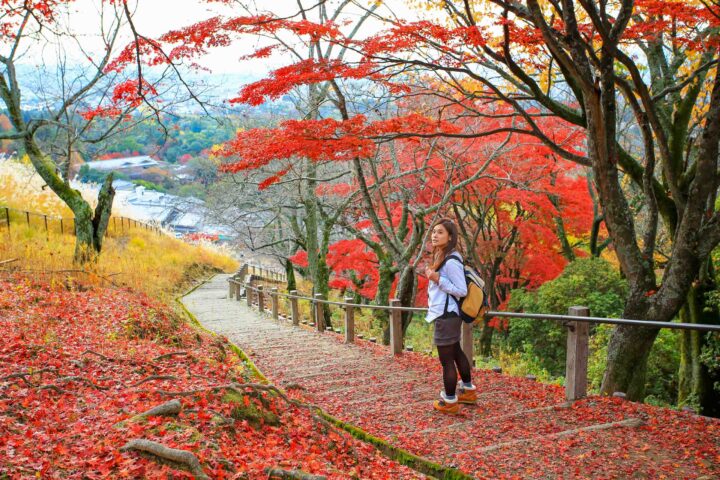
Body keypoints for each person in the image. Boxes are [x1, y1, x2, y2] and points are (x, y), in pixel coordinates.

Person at [424, 218, 477, 414]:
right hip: (448, 314)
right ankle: (468, 391)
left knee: (446, 360)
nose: (434, 235)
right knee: (456, 352)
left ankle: (450, 401)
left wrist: (438, 278)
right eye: (434, 232)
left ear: (450, 236)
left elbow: (461, 290)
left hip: (446, 316)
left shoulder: (451, 260)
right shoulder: (445, 256)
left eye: (440, 232)